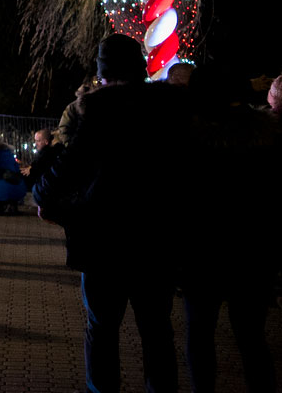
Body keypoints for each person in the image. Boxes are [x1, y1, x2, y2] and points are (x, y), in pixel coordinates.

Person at [33, 34, 190, 393]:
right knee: (157, 331)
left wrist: (46, 198)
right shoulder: (169, 109)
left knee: (102, 329)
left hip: (105, 243)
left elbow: (65, 170)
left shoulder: (101, 112)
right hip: (156, 239)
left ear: (104, 74)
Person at [182, 64, 279, 393]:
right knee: (252, 337)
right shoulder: (267, 134)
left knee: (200, 335)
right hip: (254, 251)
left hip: (202, 251)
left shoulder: (192, 136)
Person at [22, 128, 63, 194]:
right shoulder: (51, 151)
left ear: (46, 142)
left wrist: (31, 169)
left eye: (38, 141)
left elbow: (36, 169)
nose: (36, 143)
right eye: (35, 141)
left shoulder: (47, 153)